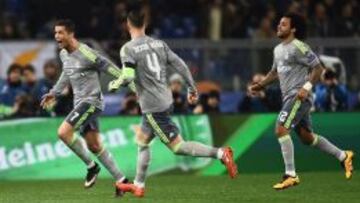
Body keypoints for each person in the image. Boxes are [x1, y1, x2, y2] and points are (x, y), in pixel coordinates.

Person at [109, 4, 237, 198]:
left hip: (153, 106)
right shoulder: (159, 44)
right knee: (142, 142)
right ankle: (138, 185)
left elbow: (127, 76)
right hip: (164, 99)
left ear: (128, 25)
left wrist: (115, 83)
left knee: (178, 147)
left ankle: (220, 153)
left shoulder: (128, 48)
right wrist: (192, 87)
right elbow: (180, 64)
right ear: (145, 24)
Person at [249, 13, 354, 190]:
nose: (279, 27)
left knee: (281, 129)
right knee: (307, 138)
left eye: (283, 24)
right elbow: (274, 73)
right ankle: (343, 156)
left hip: (299, 96)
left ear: (293, 28)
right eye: (279, 24)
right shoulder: (278, 49)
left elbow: (318, 68)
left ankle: (290, 174)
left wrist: (306, 87)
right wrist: (260, 85)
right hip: (290, 97)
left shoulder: (299, 46)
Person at [40, 19, 128, 195]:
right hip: (79, 103)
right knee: (94, 145)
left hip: (92, 102)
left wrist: (129, 84)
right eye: (55, 32)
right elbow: (66, 73)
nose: (57, 36)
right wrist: (54, 92)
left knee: (63, 133)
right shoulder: (64, 54)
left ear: (71, 34)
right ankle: (122, 181)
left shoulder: (87, 53)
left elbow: (109, 67)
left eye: (60, 32)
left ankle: (92, 166)